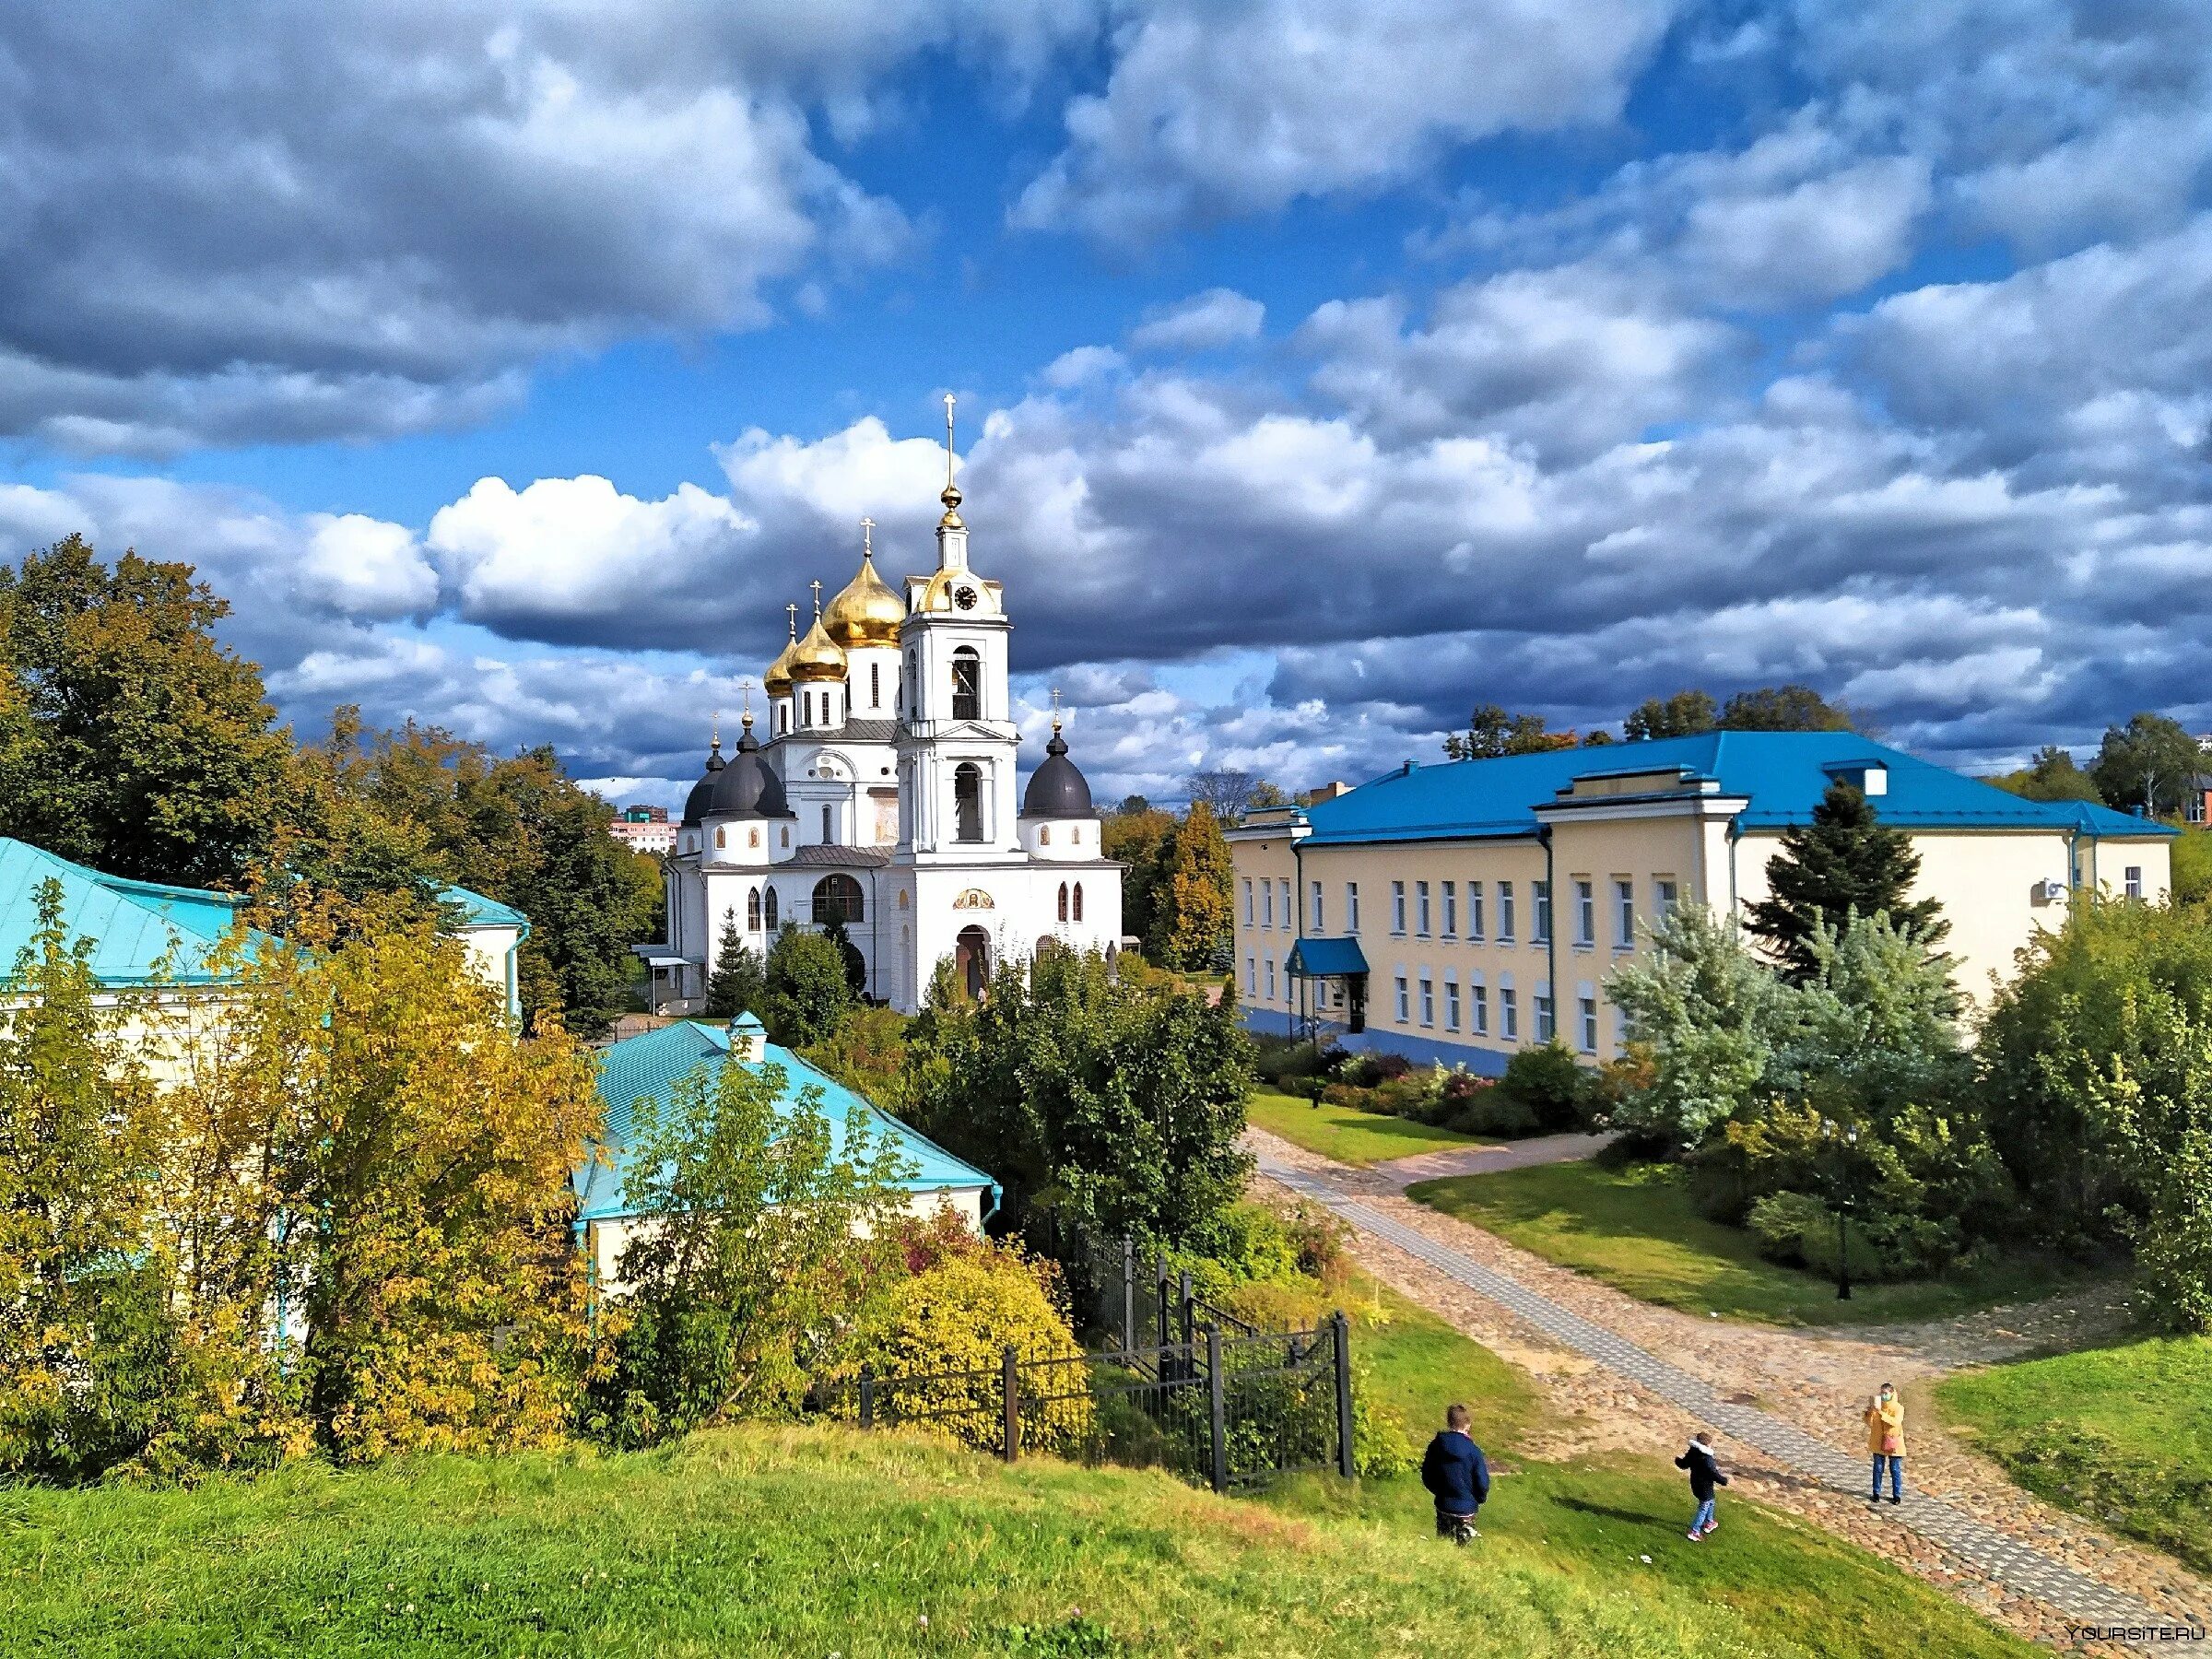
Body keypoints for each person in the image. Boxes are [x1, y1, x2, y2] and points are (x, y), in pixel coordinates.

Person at [1420, 1403, 1490, 1544]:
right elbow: (1482, 1483)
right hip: (1466, 1509)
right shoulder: (1473, 1451)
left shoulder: (1436, 1445)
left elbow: (1427, 1474)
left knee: (1443, 1545)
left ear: (1449, 1421)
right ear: (1468, 1425)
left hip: (1443, 1505)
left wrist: (1438, 1491)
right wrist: (1479, 1498)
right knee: (1463, 1549)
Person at [1675, 1430, 1727, 1540]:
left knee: (1711, 1501)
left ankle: (1709, 1522)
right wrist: (1723, 1480)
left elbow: (1684, 1464)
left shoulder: (1693, 1453)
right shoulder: (1707, 1459)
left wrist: (1678, 1461)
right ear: (1708, 1444)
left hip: (1695, 1484)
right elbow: (1713, 1474)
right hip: (1705, 1487)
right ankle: (1695, 1531)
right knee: (1704, 1507)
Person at [1864, 1382, 1905, 1505]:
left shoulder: (1898, 1408)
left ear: (1891, 1393)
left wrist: (1881, 1413)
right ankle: (1876, 1493)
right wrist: (1870, 1412)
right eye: (1881, 1393)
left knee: (1895, 1469)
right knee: (1878, 1468)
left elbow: (1895, 1422)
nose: (1883, 1395)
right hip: (1878, 1441)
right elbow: (1869, 1422)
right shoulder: (1878, 1406)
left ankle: (1897, 1495)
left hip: (1893, 1442)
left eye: (1885, 1393)